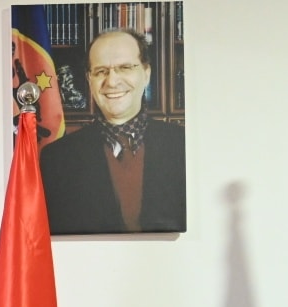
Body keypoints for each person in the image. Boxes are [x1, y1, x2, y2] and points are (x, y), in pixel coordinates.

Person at [39, 29, 186, 234]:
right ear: (89, 79)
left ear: (146, 74)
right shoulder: (56, 158)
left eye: (125, 67)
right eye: (101, 71)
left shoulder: (183, 145)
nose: (112, 81)